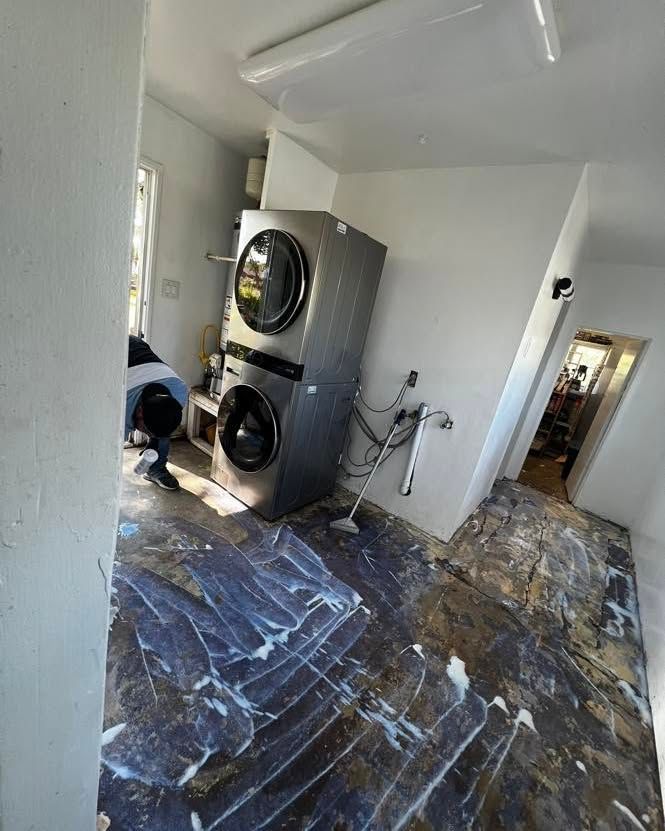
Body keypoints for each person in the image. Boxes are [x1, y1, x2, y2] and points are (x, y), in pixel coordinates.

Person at [125, 335, 188, 490]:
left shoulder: (179, 393)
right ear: (139, 411)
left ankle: (155, 469)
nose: (151, 434)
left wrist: (157, 439)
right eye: (146, 430)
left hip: (143, 358)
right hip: (114, 349)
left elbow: (160, 428)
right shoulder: (120, 409)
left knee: (161, 430)